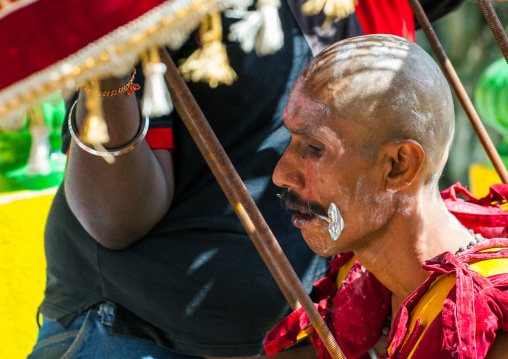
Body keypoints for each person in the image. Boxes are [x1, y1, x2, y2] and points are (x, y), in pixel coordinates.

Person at [28, 1, 464, 358]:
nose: (281, 173)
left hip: (309, 340)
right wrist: (108, 78)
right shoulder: (173, 12)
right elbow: (116, 220)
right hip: (137, 334)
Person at [264, 34, 508, 358]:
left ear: (398, 166)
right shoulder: (360, 283)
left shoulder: (484, 327)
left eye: (314, 148)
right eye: (291, 141)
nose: (281, 174)